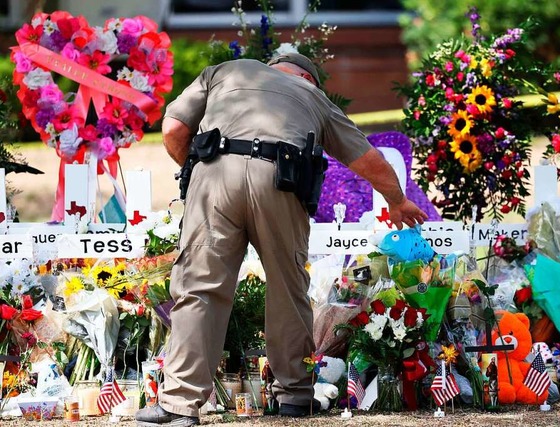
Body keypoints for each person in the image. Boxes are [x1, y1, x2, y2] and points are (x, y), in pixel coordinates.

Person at [135, 52, 428, 426]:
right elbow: (367, 158)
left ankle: (179, 404)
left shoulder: (224, 71)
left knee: (199, 287)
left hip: (214, 177)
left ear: (272, 67)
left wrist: (197, 176)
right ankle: (294, 396)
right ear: (309, 79)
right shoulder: (314, 97)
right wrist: (397, 200)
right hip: (280, 179)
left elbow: (174, 127)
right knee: (287, 288)